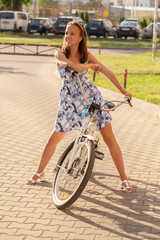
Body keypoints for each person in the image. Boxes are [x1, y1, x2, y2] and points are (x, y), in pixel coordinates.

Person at [27, 21, 133, 193]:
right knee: (53, 139)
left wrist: (123, 91)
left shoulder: (87, 55)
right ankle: (39, 172)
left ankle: (124, 179)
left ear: (81, 37)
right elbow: (73, 67)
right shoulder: (59, 54)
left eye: (72, 34)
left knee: (110, 138)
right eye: (67, 33)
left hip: (90, 99)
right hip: (69, 103)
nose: (68, 36)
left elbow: (108, 72)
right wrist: (90, 66)